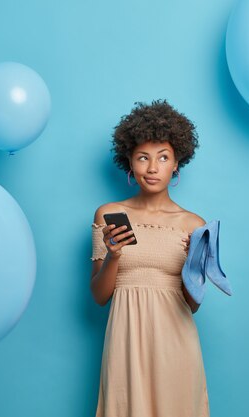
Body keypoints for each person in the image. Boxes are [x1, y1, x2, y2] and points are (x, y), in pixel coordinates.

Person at [90, 100, 210, 417]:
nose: (153, 168)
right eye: (143, 157)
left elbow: (194, 304)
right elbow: (99, 296)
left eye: (163, 157)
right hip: (125, 341)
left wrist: (190, 265)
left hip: (176, 343)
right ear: (129, 161)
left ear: (176, 163)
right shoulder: (109, 215)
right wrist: (114, 256)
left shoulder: (194, 225)